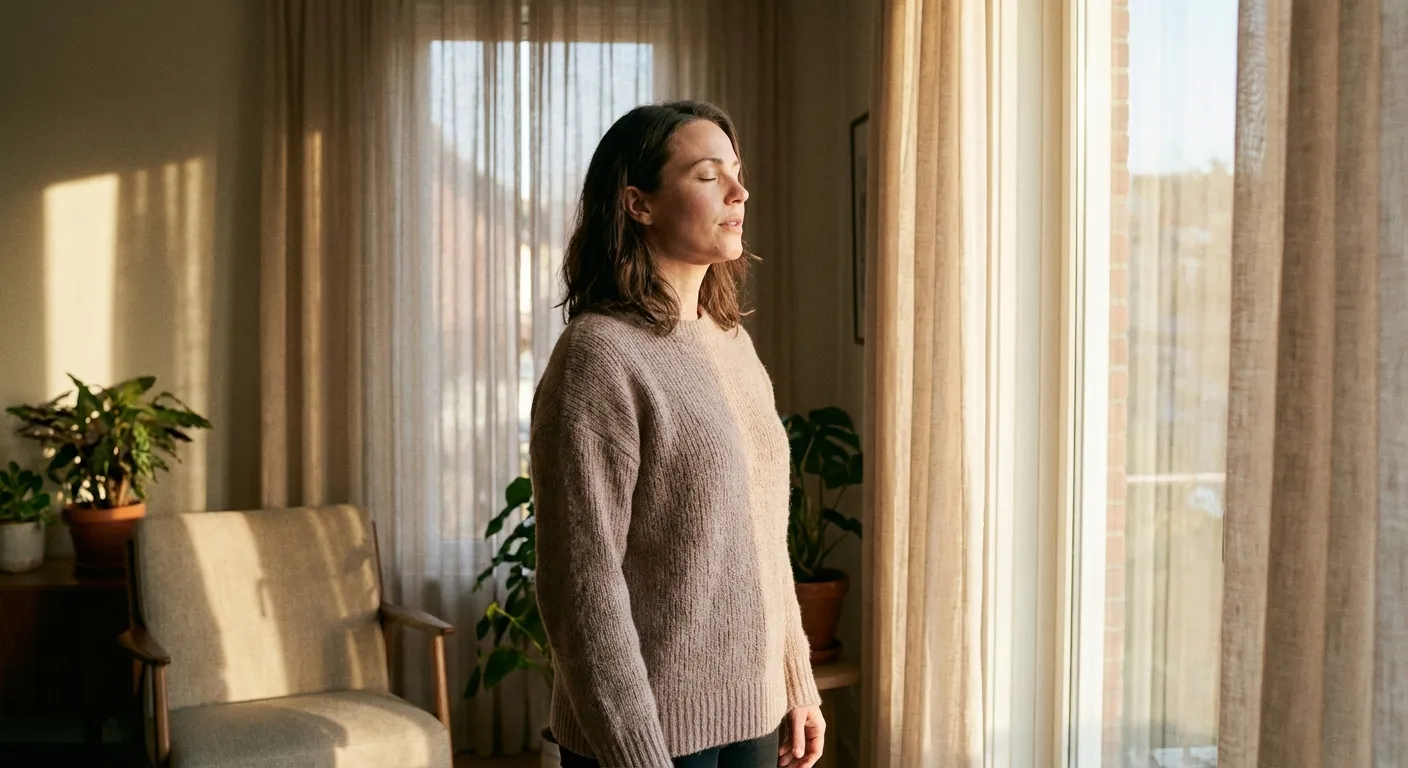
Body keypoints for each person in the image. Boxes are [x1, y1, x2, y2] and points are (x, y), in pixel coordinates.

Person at [530, 100, 826, 768]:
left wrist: (794, 678)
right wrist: (634, 750)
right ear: (638, 203)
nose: (738, 190)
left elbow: (763, 535)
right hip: (648, 736)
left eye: (738, 172)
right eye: (706, 174)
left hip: (752, 713)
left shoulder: (732, 343)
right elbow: (582, 584)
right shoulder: (599, 355)